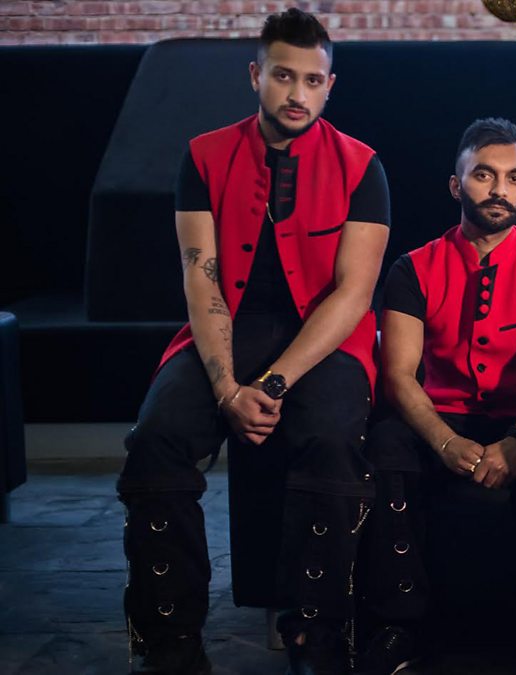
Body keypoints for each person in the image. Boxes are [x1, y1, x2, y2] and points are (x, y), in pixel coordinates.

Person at [116, 8, 391, 674]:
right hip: (224, 330)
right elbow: (200, 280)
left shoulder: (363, 167)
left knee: (330, 436)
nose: (297, 94)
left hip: (324, 339)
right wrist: (223, 387)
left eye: (313, 80)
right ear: (255, 75)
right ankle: (170, 638)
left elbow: (353, 297)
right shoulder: (203, 155)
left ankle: (315, 633)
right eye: (283, 76)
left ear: (330, 85)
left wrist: (269, 385)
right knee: (157, 436)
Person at [356, 117, 516, 670]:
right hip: (440, 418)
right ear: (457, 185)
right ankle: (399, 624)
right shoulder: (413, 267)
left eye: (514, 178)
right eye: (484, 175)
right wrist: (441, 440)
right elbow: (399, 374)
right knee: (386, 445)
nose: (500, 189)